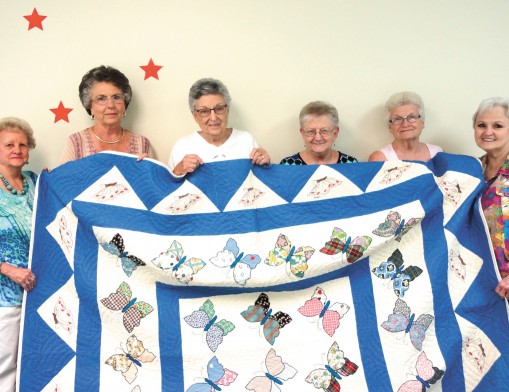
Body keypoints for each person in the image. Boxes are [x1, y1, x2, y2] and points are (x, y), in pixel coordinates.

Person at [0, 117, 38, 392]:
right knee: (5, 363)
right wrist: (8, 269)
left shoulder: (37, 182)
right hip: (6, 295)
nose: (17, 149)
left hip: (39, 289)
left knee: (35, 361)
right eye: (9, 144)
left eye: (23, 145)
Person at [168, 78, 270, 176]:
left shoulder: (247, 140)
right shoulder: (182, 146)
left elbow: (264, 183)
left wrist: (266, 165)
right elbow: (167, 188)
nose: (213, 118)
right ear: (195, 116)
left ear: (227, 110)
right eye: (204, 111)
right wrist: (178, 171)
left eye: (219, 108)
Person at [59, 65, 154, 164]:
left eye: (116, 97)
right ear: (89, 106)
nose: (111, 105)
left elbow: (154, 179)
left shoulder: (142, 144)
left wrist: (150, 171)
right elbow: (62, 179)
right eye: (101, 98)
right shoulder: (76, 143)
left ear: (125, 103)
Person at [473, 97, 509, 300]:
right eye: (481, 125)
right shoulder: (473, 170)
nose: (488, 132)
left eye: (497, 126)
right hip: (484, 280)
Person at [368, 91, 442, 162]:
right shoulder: (379, 158)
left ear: (422, 122)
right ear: (390, 127)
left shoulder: (438, 153)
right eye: (397, 119)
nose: (405, 124)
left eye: (412, 117)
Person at [280, 101, 357, 165]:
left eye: (324, 131)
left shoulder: (351, 164)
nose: (318, 138)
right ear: (302, 133)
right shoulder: (287, 165)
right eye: (311, 131)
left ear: (335, 133)